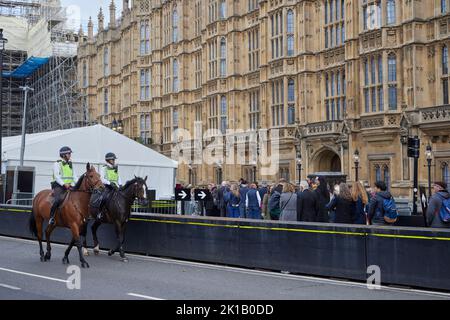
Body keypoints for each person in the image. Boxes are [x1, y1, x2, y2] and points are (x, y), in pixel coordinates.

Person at [49, 146, 79, 225]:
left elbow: (74, 176)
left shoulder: (70, 163)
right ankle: (51, 217)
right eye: (69, 153)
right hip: (58, 185)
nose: (70, 155)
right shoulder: (57, 163)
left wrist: (77, 184)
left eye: (70, 153)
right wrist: (64, 184)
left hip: (69, 185)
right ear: (63, 155)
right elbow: (57, 176)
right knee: (58, 199)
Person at [90, 152, 123, 220]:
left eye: (114, 159)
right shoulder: (104, 168)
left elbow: (118, 176)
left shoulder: (115, 167)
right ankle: (100, 213)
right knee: (104, 198)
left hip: (116, 186)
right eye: (112, 159)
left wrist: (120, 184)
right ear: (108, 160)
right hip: (108, 186)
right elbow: (102, 178)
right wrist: (109, 183)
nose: (114, 161)